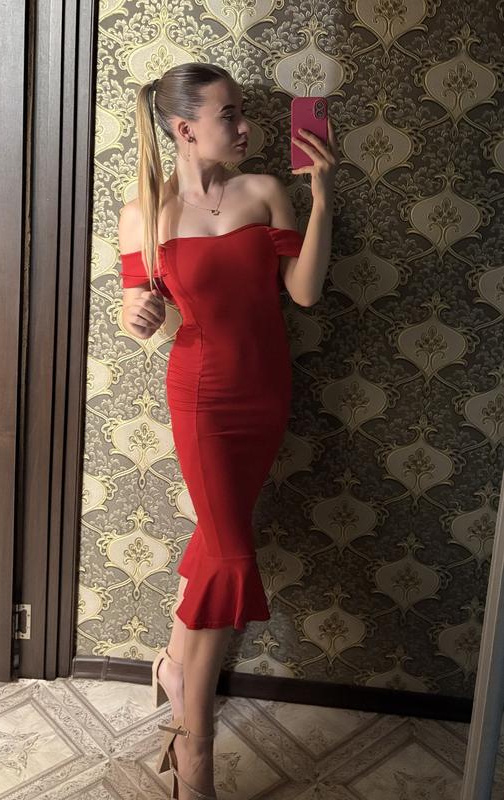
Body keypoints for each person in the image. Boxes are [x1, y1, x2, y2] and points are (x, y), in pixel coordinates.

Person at [118, 63, 337, 800]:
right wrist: (138, 313)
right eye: (230, 116)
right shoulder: (144, 211)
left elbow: (303, 293)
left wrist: (321, 196)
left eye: (243, 112)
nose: (247, 127)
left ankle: (171, 666)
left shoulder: (266, 190)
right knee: (231, 554)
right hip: (202, 397)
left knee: (217, 541)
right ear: (185, 129)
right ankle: (194, 748)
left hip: (266, 392)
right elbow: (136, 313)